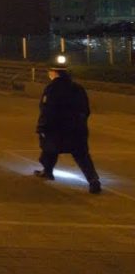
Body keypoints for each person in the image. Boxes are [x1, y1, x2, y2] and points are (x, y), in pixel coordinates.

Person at [33, 62, 101, 194]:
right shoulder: (77, 88)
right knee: (82, 155)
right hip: (77, 128)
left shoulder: (51, 88)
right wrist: (80, 122)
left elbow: (46, 109)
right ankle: (93, 180)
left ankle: (47, 171)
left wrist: (42, 127)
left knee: (49, 149)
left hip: (56, 127)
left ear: (54, 73)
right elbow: (86, 109)